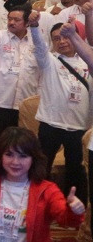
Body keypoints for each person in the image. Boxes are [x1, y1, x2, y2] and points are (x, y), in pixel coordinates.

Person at [31, 18, 93, 204]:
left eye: (66, 37)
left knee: (76, 170)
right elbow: (39, 46)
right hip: (50, 124)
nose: (62, 41)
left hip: (79, 126)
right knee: (42, 167)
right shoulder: (49, 60)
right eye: (56, 38)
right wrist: (34, 27)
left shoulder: (88, 61)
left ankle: (73, 208)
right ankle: (38, 204)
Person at [0, 6, 38, 164]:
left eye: (16, 20)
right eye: (9, 19)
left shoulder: (35, 41)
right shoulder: (1, 36)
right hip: (0, 102)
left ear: (26, 22)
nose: (11, 22)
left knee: (22, 146)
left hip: (24, 103)